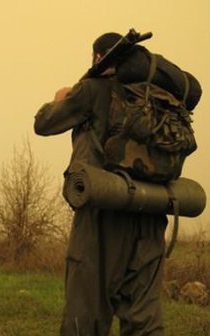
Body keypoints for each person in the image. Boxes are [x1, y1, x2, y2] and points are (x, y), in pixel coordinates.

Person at [34, 32, 168, 336]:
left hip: (103, 212)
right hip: (152, 211)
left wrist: (58, 99)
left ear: (98, 58)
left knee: (86, 312)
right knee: (144, 318)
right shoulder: (155, 98)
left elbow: (43, 124)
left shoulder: (92, 89)